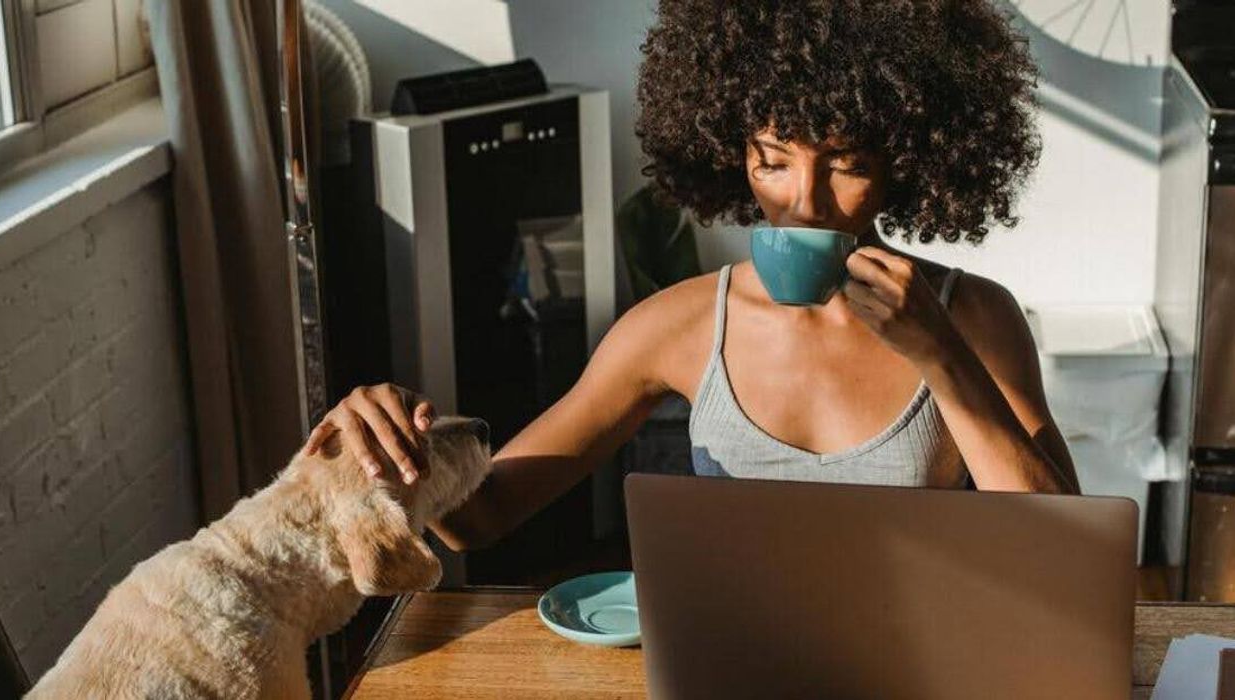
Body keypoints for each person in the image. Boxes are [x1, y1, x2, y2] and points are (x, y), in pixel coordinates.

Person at [302, 0, 1079, 552]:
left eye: (845, 165)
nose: (801, 203)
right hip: (728, 658)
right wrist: (397, 437)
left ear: (907, 167)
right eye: (771, 162)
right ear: (729, 149)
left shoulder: (968, 316)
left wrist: (939, 357)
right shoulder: (674, 327)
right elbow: (482, 515)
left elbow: (1061, 547)